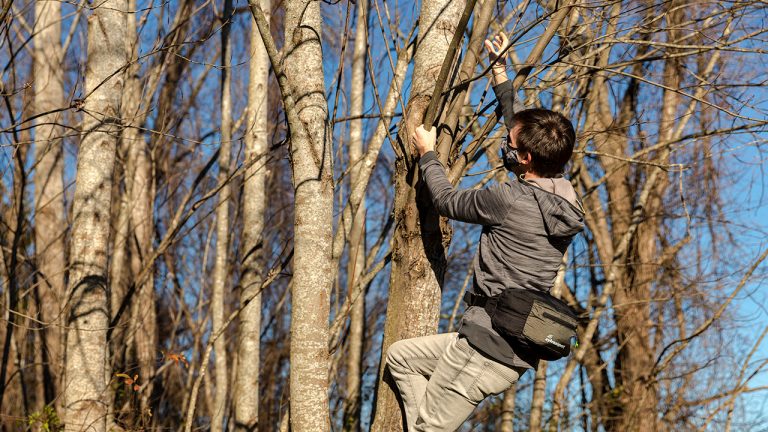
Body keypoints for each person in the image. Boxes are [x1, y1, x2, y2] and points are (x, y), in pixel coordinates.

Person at [383, 31, 585, 431]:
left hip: (486, 347)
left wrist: (427, 154)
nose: (505, 145)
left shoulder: (508, 199)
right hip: (500, 341)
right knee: (401, 357)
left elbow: (446, 201)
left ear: (526, 158)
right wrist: (500, 74)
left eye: (511, 144)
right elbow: (522, 134)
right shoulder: (565, 201)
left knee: (429, 429)